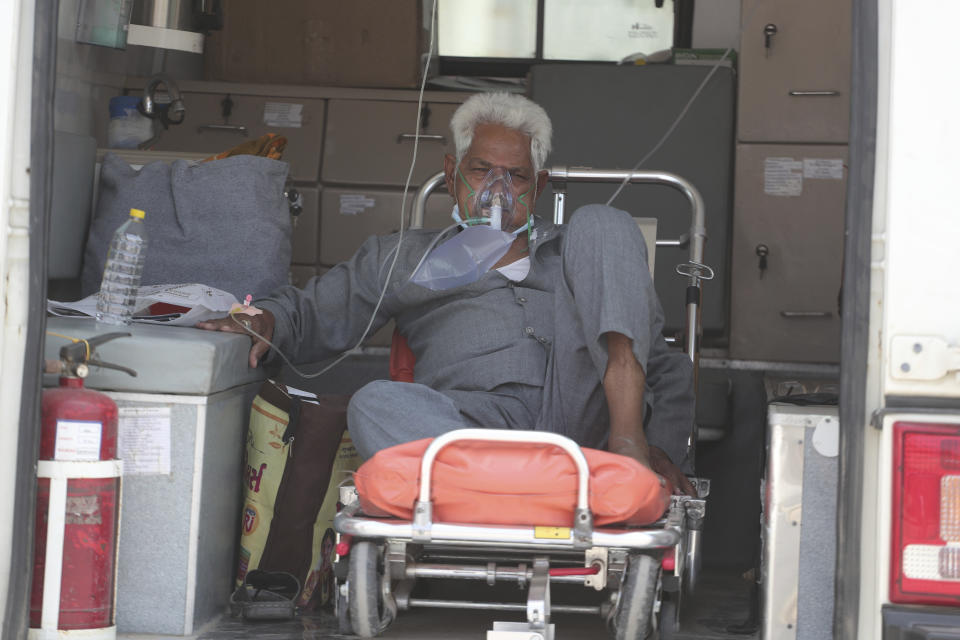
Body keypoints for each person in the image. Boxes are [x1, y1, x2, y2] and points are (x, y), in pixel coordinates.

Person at [198, 92, 696, 495]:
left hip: (588, 420)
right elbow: (313, 314)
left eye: (516, 175)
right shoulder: (407, 258)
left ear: (538, 186)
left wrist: (661, 446)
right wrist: (267, 319)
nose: (497, 189)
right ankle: (539, 484)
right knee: (374, 404)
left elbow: (663, 364)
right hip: (470, 428)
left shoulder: (581, 250)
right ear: (453, 173)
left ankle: (620, 452)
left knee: (604, 220)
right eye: (481, 170)